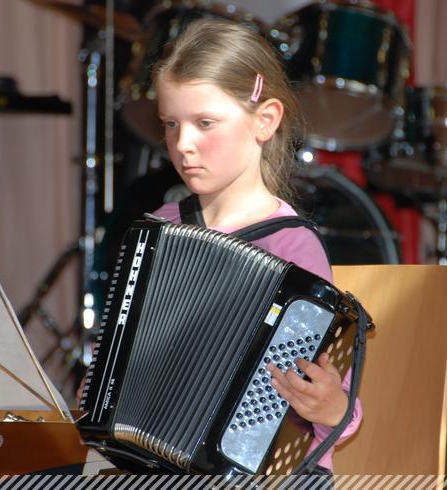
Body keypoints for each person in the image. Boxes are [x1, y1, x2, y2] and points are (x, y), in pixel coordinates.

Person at [150, 18, 362, 473]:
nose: (183, 144)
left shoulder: (293, 247)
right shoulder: (160, 227)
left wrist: (331, 408)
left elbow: (333, 402)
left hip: (254, 474)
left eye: (205, 123)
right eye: (170, 124)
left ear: (265, 120)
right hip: (151, 463)